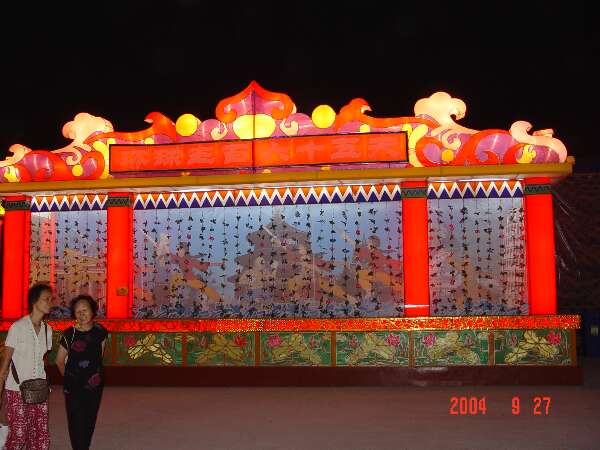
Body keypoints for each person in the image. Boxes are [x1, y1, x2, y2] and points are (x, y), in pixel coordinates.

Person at [0, 283, 53, 450]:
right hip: (16, 389)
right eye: (46, 299)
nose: (50, 303)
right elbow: (6, 360)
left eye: (51, 299)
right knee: (19, 434)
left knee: (40, 435)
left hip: (39, 389)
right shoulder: (17, 327)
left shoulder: (48, 330)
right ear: (34, 301)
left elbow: (43, 359)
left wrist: (46, 381)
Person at [55, 295, 108, 450]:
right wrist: (69, 378)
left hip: (94, 383)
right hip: (74, 385)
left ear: (93, 311)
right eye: (77, 311)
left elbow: (99, 357)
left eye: (85, 310)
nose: (81, 314)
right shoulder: (69, 333)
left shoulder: (101, 332)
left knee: (90, 417)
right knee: (76, 419)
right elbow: (59, 361)